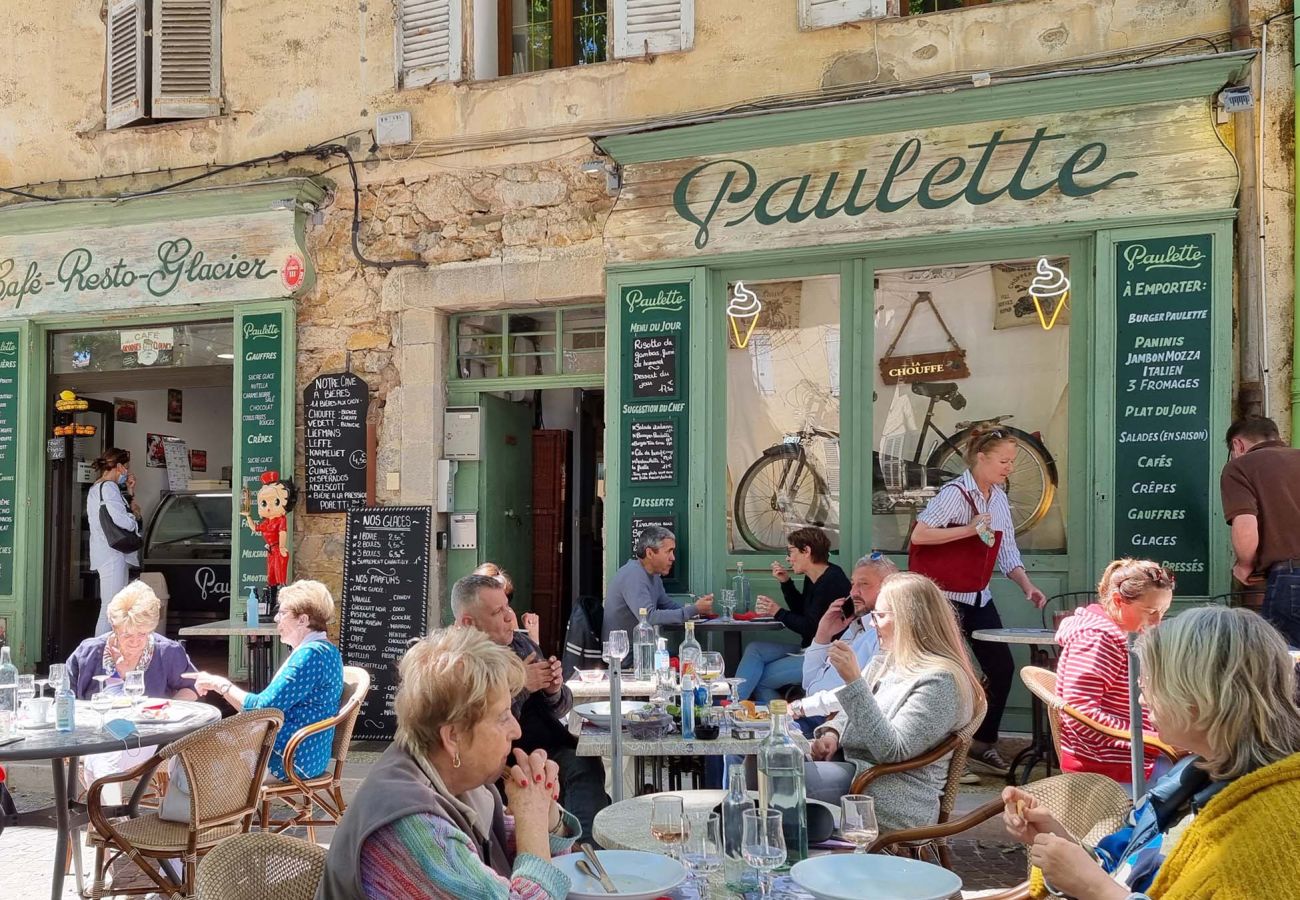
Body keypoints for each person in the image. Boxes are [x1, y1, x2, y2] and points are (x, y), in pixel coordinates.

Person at [1004, 606, 1300, 899]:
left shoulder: (1273, 825)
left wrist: (1096, 889)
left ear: (1201, 697)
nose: (1142, 699)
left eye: (1155, 681)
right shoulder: (1194, 778)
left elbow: (1107, 888)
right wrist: (1056, 842)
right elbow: (1122, 871)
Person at [316, 626, 579, 900]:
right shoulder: (412, 828)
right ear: (453, 736)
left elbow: (517, 846)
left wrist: (547, 817)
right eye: (502, 716)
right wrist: (533, 818)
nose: (516, 730)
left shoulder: (458, 776)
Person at [910, 426, 1048, 775]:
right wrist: (969, 530)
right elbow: (920, 534)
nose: (1009, 468)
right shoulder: (954, 494)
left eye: (1012, 461)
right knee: (949, 673)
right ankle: (939, 754)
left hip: (977, 596)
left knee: (1001, 668)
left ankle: (982, 743)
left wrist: (1025, 585)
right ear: (980, 458)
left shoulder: (999, 497)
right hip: (943, 598)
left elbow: (1006, 550)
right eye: (1003, 461)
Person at [804, 572, 983, 834]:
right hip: (856, 773)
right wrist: (833, 732)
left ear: (911, 620)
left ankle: (781, 860)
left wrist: (854, 682)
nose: (873, 623)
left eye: (881, 616)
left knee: (782, 780)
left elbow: (893, 750)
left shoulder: (941, 681)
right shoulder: (889, 660)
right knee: (767, 761)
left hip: (894, 794)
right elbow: (849, 712)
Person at [453, 574, 608, 843]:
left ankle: (588, 850)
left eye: (508, 607)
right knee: (576, 768)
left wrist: (553, 689)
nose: (509, 617)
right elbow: (478, 724)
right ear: (468, 622)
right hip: (500, 758)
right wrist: (522, 685)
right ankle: (581, 851)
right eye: (498, 611)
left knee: (585, 761)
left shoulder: (520, 644)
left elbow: (562, 707)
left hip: (547, 744)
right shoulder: (461, 661)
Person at [187, 580, 343, 781]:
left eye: (283, 612)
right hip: (306, 754)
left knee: (191, 758)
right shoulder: (327, 650)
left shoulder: (310, 656)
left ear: (303, 620)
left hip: (289, 759)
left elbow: (261, 709)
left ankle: (197, 811)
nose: (277, 618)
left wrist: (220, 684)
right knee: (199, 749)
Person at [65, 580, 198, 798]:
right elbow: (65, 695)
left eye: (143, 634)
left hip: (144, 736)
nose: (136, 641)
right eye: (127, 635)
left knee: (103, 758)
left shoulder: (166, 652)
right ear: (115, 629)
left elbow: (192, 687)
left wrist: (167, 707)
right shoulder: (89, 651)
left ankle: (111, 824)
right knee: (101, 754)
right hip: (94, 734)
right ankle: (114, 821)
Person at [1055, 560, 1174, 784]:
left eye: (1164, 612)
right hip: (1109, 762)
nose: (1158, 621)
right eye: (1151, 611)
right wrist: (1150, 739)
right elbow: (1079, 711)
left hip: (1129, 753)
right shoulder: (1098, 639)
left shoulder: (1118, 634)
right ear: (1119, 601)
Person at [735, 527, 851, 702]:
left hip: (824, 656)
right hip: (808, 648)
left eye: (790, 551)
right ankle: (733, 704)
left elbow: (810, 628)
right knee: (755, 649)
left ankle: (781, 721)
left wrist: (777, 612)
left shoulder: (832, 580)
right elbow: (802, 611)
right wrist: (786, 583)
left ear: (807, 551)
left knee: (762, 680)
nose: (788, 558)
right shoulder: (814, 576)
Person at [789, 552, 897, 734]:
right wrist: (823, 635)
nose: (853, 592)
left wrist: (800, 708)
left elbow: (863, 693)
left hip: (833, 724)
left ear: (890, 589)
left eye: (863, 584)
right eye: (853, 584)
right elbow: (809, 683)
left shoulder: (885, 635)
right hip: (811, 713)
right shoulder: (856, 626)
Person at [1220, 415, 1300, 647]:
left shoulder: (1240, 467)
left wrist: (1245, 564)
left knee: (1286, 667)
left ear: (1238, 445)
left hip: (1291, 577)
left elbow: (1245, 523)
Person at [603, 526, 712, 641]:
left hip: (643, 649)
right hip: (624, 654)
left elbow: (668, 606)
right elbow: (648, 617)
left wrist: (698, 610)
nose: (673, 558)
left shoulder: (654, 576)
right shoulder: (633, 575)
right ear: (650, 553)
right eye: (668, 551)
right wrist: (694, 609)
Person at [87, 448, 142, 636]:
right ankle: (99, 655)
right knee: (111, 608)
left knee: (113, 607)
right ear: (118, 466)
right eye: (125, 467)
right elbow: (120, 519)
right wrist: (134, 519)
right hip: (113, 554)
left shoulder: (96, 488)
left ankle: (106, 652)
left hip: (104, 552)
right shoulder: (109, 487)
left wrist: (129, 491)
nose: (126, 472)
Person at [475, 562, 540, 645]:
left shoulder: (509, 614)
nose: (508, 616)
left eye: (506, 604)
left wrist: (533, 637)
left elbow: (520, 652)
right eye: (498, 609)